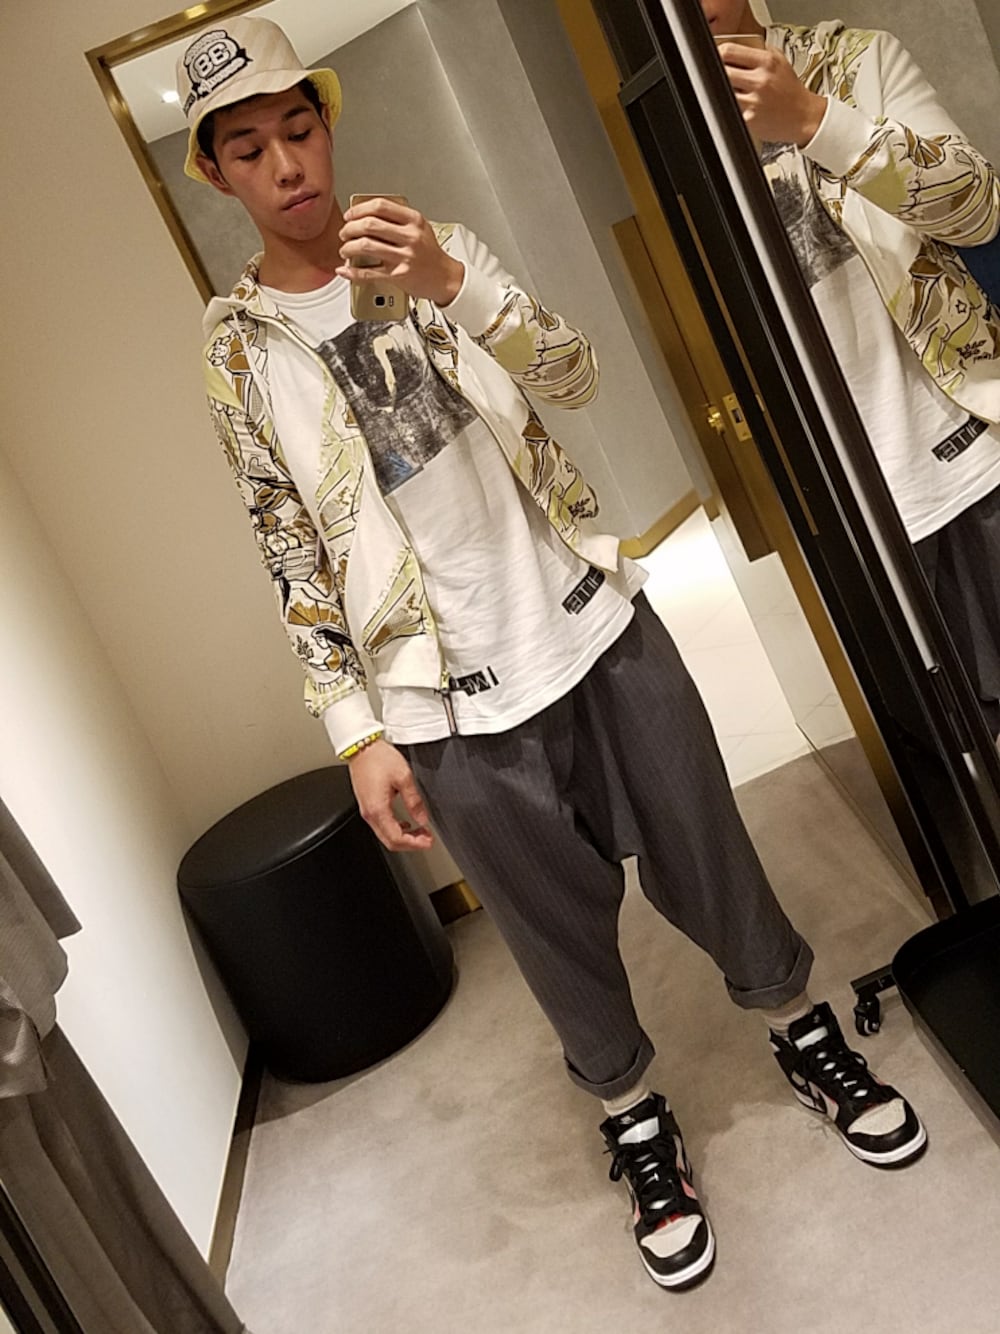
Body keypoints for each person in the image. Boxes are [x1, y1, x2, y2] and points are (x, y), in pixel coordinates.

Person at [178, 15, 924, 1292]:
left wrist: (450, 283)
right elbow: (286, 539)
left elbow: (573, 373)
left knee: (712, 851)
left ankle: (802, 1029)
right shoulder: (237, 348)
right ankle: (632, 1116)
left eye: (299, 128)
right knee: (550, 932)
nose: (287, 164)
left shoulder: (439, 244)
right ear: (217, 173)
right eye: (250, 149)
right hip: (442, 698)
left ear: (327, 124)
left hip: (591, 620)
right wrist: (355, 729)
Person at [711, 0, 1000, 740]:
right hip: (849, 505)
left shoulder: (855, 62)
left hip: (975, 436)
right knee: (955, 745)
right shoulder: (677, 138)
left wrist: (815, 121)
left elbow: (979, 209)